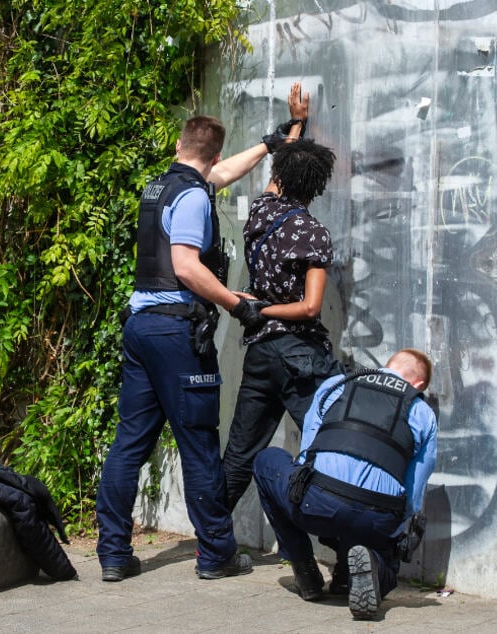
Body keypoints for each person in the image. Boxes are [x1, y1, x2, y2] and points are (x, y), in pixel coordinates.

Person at [95, 91, 308, 583]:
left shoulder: (162, 187)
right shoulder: (193, 197)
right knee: (199, 444)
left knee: (130, 443)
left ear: (178, 145)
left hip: (142, 328)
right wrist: (239, 306)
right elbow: (188, 267)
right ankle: (216, 553)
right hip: (176, 334)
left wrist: (271, 143)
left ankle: (112, 553)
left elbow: (222, 173)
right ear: (209, 154)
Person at [222, 84, 345, 511]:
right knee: (327, 441)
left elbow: (279, 173)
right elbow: (310, 308)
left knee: (240, 449)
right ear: (317, 185)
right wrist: (263, 308)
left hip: (261, 353)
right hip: (299, 353)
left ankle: (211, 544)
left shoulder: (262, 212)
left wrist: (296, 124)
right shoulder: (313, 233)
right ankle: (340, 533)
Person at [252, 349, 437, 620]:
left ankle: (306, 572)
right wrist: (392, 536)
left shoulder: (336, 384)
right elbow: (413, 492)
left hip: (318, 505)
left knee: (267, 460)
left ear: (388, 366)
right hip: (376, 517)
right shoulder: (422, 412)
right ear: (419, 385)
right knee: (376, 545)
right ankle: (372, 567)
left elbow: (307, 456)